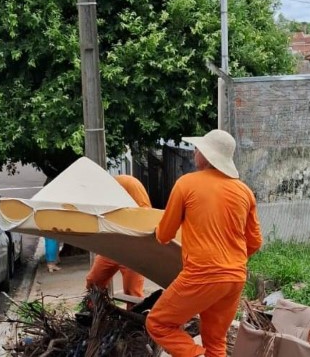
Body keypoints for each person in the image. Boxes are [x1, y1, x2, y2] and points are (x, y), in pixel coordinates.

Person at [145, 129, 263, 357]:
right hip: (235, 277)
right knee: (216, 342)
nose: (194, 153)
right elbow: (255, 242)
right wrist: (229, 261)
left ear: (207, 156)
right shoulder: (244, 192)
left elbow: (164, 235)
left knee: (158, 323)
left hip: (202, 274)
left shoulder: (186, 184)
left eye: (198, 149)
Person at [85, 174, 151, 309]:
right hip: (113, 246)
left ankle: (134, 323)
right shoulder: (103, 194)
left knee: (132, 292)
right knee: (93, 280)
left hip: (133, 248)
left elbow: (145, 214)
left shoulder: (128, 183)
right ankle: (93, 313)